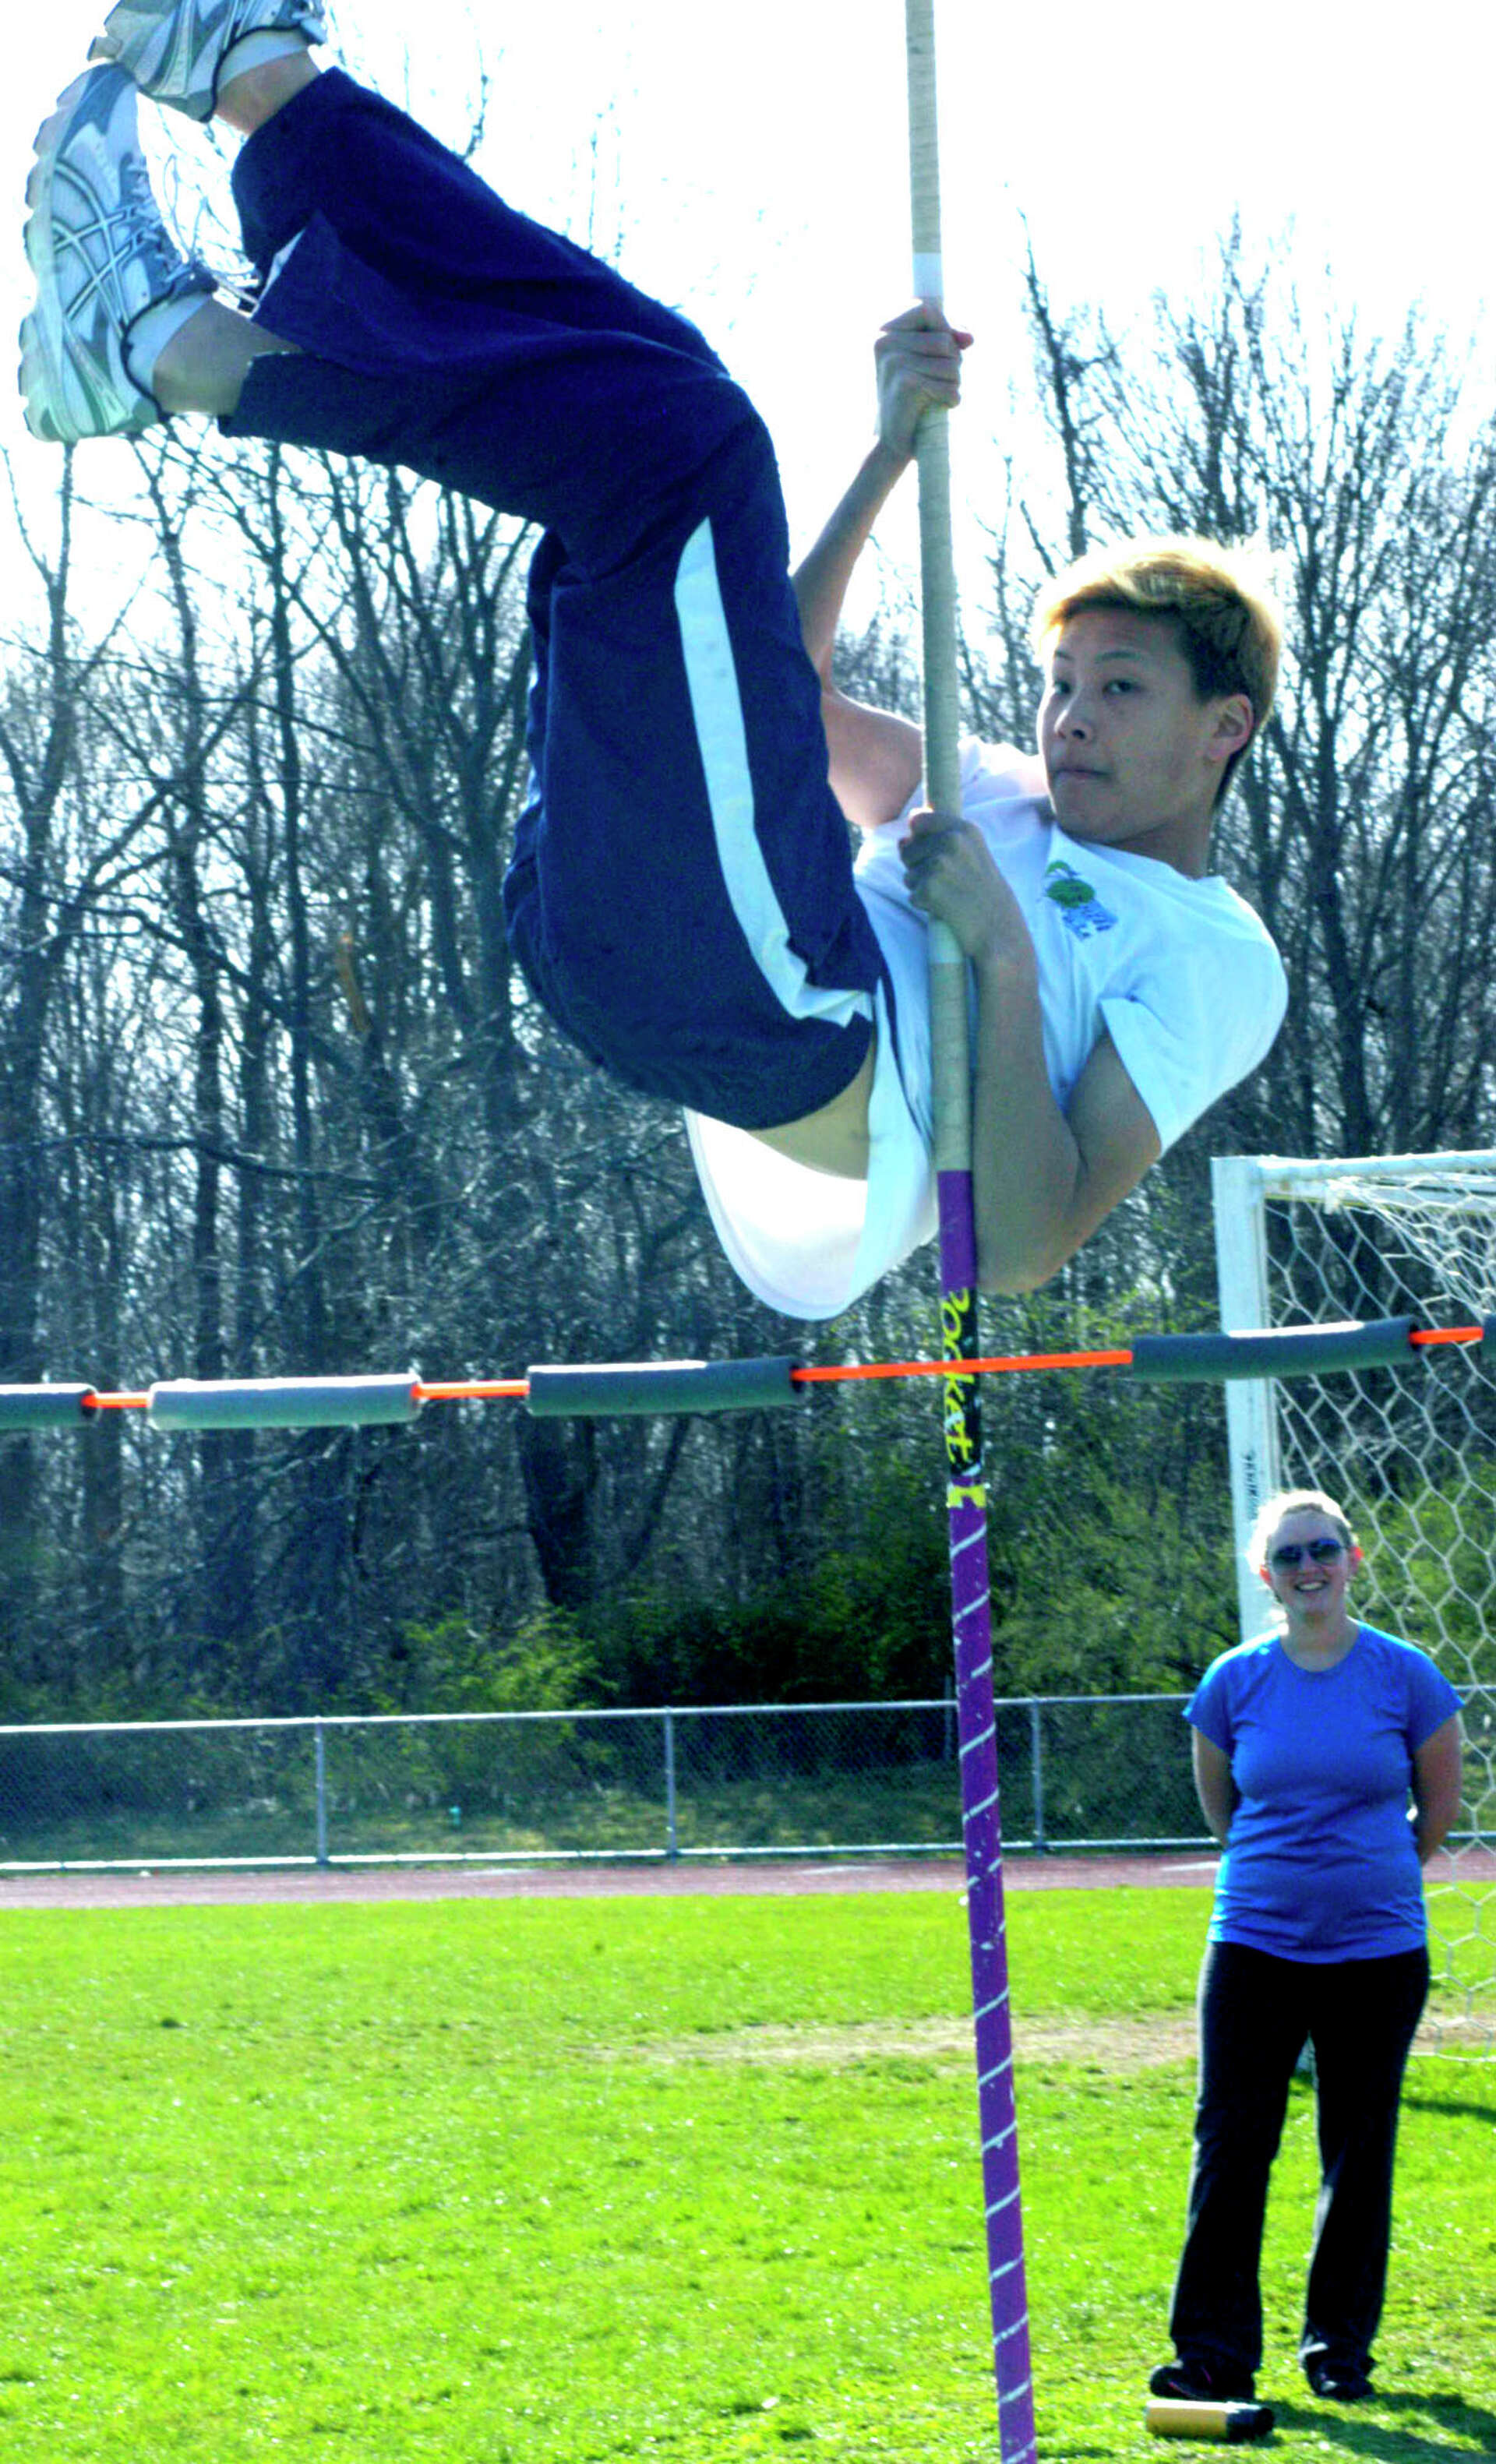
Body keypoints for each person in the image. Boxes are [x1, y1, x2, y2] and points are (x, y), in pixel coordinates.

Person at [20, 2, 1287, 1320]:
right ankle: (262, 86)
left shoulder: (1218, 956)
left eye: (1120, 688)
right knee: (658, 401)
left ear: (1225, 725)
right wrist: (885, 452)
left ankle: (167, 347)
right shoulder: (997, 790)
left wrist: (1005, 961)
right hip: (640, 907)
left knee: (693, 453)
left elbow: (1019, 1247)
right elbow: (780, 690)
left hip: (783, 1015)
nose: (1071, 716)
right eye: (1065, 681)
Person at [1152, 1486, 1464, 2409]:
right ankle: (1213, 2352)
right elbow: (1225, 1812)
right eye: (1289, 1555)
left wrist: (1372, 1876)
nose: (1309, 1567)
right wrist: (1282, 1877)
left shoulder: (1406, 1675)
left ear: (1352, 1559)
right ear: (1267, 1575)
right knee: (1231, 2144)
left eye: (1323, 1549)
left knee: (1357, 2151)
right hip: (1254, 1947)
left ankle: (1338, 2349)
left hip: (1378, 1954)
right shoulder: (1232, 1681)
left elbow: (1437, 1805)